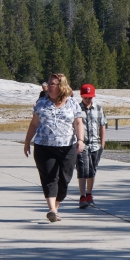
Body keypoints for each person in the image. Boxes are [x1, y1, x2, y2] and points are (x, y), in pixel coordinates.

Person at [24, 73, 85, 223]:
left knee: (64, 179)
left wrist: (81, 139)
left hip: (67, 146)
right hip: (44, 146)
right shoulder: (41, 103)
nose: (49, 86)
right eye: (49, 84)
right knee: (49, 177)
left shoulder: (72, 103)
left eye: (52, 84)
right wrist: (27, 142)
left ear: (61, 86)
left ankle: (55, 207)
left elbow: (78, 123)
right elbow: (34, 124)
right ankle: (51, 209)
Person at [76, 84, 107, 209]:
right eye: (86, 97)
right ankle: (82, 196)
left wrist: (102, 144)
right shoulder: (77, 109)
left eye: (90, 97)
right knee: (83, 170)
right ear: (82, 96)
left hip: (96, 144)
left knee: (92, 170)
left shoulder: (98, 108)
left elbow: (102, 126)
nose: (88, 100)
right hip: (82, 144)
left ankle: (89, 194)